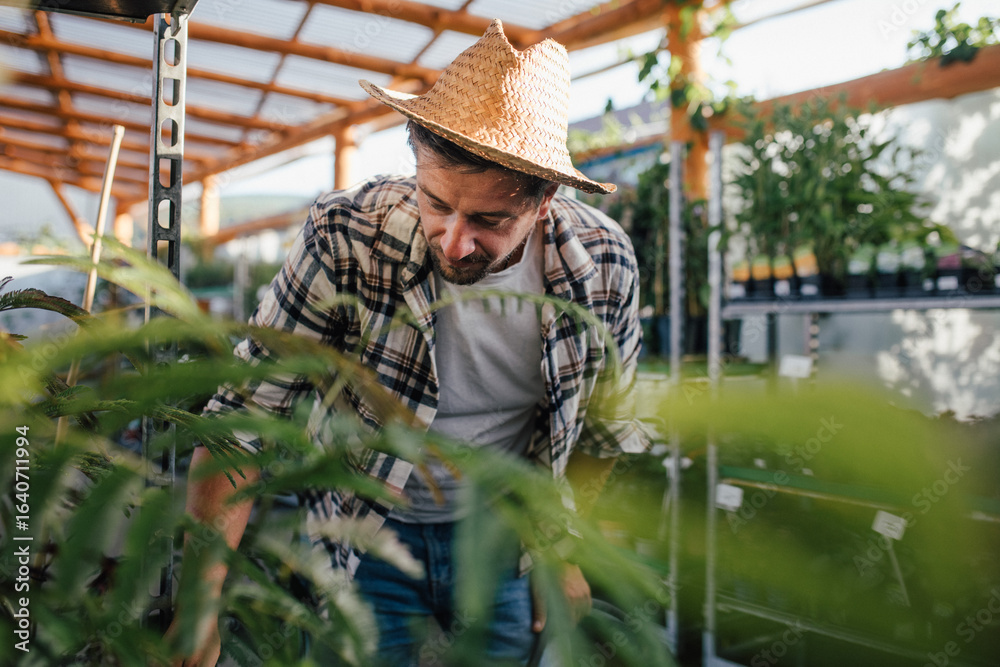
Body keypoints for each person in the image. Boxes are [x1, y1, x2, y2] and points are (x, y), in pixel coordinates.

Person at [171, 19, 647, 667]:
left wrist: (562, 549)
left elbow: (604, 429)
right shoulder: (345, 238)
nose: (453, 240)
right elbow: (243, 421)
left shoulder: (603, 264)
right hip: (366, 536)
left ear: (545, 202)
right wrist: (200, 605)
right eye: (435, 202)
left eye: (488, 220)